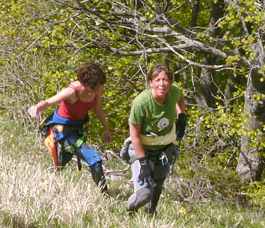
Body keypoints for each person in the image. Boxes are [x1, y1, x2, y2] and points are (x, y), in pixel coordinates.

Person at [27, 61, 113, 191]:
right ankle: (106, 196)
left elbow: (98, 108)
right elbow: (49, 101)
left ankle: (47, 186)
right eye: (96, 86)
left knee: (62, 161)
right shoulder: (72, 91)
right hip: (63, 130)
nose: (99, 89)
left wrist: (106, 128)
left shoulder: (97, 90)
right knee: (94, 159)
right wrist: (37, 107)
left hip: (78, 129)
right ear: (86, 84)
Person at [123, 64, 187, 215]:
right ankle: (129, 211)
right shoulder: (141, 103)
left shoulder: (174, 92)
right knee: (145, 193)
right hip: (142, 149)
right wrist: (143, 162)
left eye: (165, 80)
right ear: (150, 82)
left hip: (164, 148)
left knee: (158, 185)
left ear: (170, 82)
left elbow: (181, 96)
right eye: (157, 80)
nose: (161, 84)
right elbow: (134, 135)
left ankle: (150, 214)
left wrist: (182, 115)